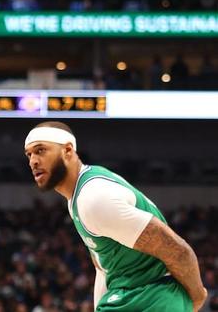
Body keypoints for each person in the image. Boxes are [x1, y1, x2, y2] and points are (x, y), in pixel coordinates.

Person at [23, 121, 207, 312]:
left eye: (40, 150)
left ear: (67, 151)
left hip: (154, 296)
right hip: (130, 293)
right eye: (29, 154)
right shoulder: (77, 196)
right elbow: (102, 267)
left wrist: (197, 297)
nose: (33, 161)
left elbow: (176, 250)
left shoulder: (94, 197)